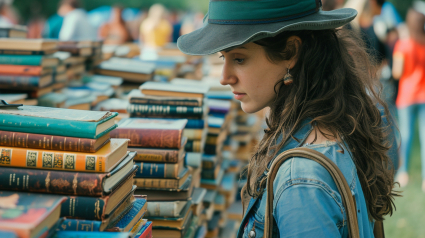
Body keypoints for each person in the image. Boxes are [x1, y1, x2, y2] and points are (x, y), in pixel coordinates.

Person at [177, 0, 398, 237]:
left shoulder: (301, 179)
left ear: (291, 52)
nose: (224, 77)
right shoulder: (336, 121)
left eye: (239, 59)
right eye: (223, 58)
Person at [393, 3, 425, 190]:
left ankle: (402, 172)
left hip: (407, 96)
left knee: (405, 135)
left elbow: (397, 72)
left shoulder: (403, 44)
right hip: (423, 95)